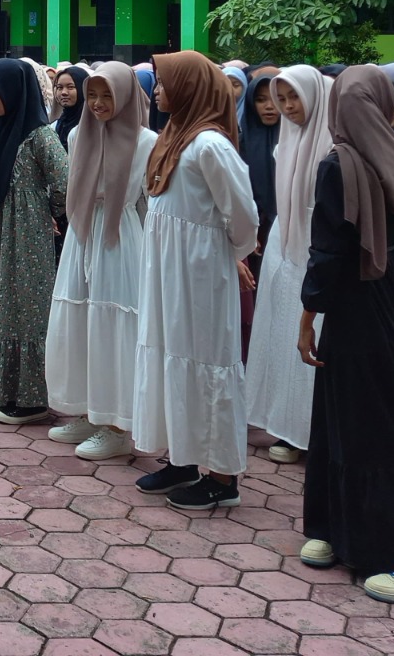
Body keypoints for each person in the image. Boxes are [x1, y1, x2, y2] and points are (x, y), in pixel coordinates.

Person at [298, 65, 394, 604]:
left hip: (353, 309)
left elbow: (328, 254)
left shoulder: (337, 165)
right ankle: (341, 532)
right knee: (353, 418)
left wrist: (306, 318)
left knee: (377, 426)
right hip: (386, 305)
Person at [132, 51, 258, 510]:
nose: (158, 91)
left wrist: (228, 255)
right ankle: (183, 458)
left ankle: (223, 477)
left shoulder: (210, 145)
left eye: (165, 83)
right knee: (171, 354)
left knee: (206, 359)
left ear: (189, 87)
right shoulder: (174, 136)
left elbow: (243, 215)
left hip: (200, 273)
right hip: (168, 270)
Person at [45, 61, 155, 458]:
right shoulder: (77, 135)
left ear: (125, 95)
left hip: (120, 237)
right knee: (80, 321)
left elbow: (147, 201)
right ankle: (89, 411)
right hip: (82, 234)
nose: (97, 103)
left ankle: (117, 423)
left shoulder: (146, 141)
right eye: (92, 94)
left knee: (114, 326)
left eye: (107, 94)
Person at [0, 58, 69, 420]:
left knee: (24, 306)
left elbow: (63, 182)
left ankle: (30, 399)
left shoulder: (40, 135)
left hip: (26, 237)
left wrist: (48, 213)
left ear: (17, 93)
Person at [245, 65, 330, 464]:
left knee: (310, 334)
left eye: (295, 97)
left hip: (317, 244)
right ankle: (282, 423)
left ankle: (309, 432)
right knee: (280, 332)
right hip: (284, 240)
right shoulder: (286, 141)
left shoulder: (333, 145)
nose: (288, 106)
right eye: (283, 98)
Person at [54, 67, 88, 150]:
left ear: (82, 89)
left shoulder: (92, 126)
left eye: (70, 87)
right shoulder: (56, 126)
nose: (64, 92)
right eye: (59, 87)